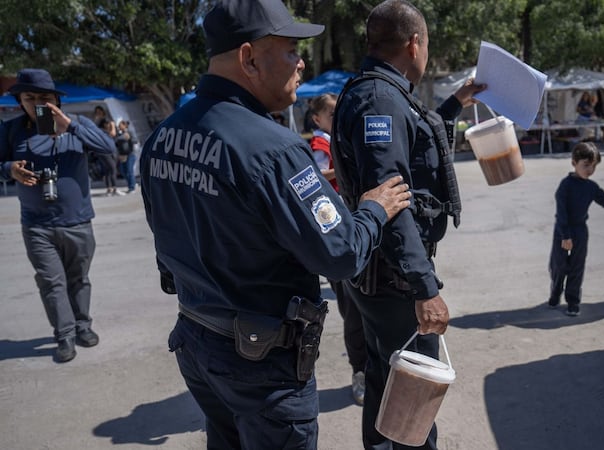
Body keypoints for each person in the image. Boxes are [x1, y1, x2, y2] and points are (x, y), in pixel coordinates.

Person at [139, 1, 412, 448]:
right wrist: (374, 209)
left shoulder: (164, 137)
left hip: (197, 340)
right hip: (260, 361)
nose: (301, 62)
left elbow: (165, 246)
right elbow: (340, 254)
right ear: (248, 58)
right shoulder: (275, 149)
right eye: (289, 51)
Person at [330, 1, 486, 448]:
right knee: (415, 390)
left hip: (375, 273)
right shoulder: (380, 98)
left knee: (385, 378)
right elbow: (393, 199)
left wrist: (456, 103)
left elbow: (415, 141)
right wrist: (425, 288)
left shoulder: (377, 90)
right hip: (393, 278)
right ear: (415, 43)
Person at [0, 68, 115, 362]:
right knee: (51, 282)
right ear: (20, 100)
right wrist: (9, 169)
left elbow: (108, 147)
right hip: (37, 225)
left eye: (44, 97)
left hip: (77, 221)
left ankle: (82, 325)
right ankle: (64, 336)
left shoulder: (76, 124)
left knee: (79, 279)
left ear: (56, 100)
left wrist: (70, 127)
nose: (38, 103)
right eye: (30, 97)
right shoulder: (11, 130)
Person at [309, 92, 367, 405]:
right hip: (337, 232)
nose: (336, 117)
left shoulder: (341, 140)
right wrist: (346, 169)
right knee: (354, 311)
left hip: (356, 227)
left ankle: (371, 368)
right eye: (330, 113)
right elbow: (317, 178)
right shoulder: (320, 145)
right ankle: (360, 372)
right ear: (317, 119)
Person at [547, 142, 604, 316]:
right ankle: (555, 292)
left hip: (580, 232)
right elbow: (561, 214)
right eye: (586, 165)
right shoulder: (565, 186)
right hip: (563, 232)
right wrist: (565, 236)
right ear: (574, 163)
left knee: (577, 268)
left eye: (593, 166)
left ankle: (572, 301)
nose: (590, 170)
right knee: (559, 266)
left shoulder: (591, 187)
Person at [98, 118, 125, 196]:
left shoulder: (103, 131)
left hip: (109, 153)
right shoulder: (102, 131)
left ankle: (109, 189)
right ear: (105, 124)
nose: (110, 125)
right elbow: (112, 134)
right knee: (113, 169)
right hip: (105, 153)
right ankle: (114, 188)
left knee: (108, 171)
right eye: (108, 124)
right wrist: (113, 125)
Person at [115, 119, 137, 193]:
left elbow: (135, 140)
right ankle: (132, 183)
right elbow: (116, 141)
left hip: (130, 155)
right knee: (122, 171)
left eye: (120, 125)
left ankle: (132, 187)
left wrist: (129, 138)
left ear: (124, 125)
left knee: (129, 171)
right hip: (122, 156)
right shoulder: (119, 134)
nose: (119, 127)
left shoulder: (130, 132)